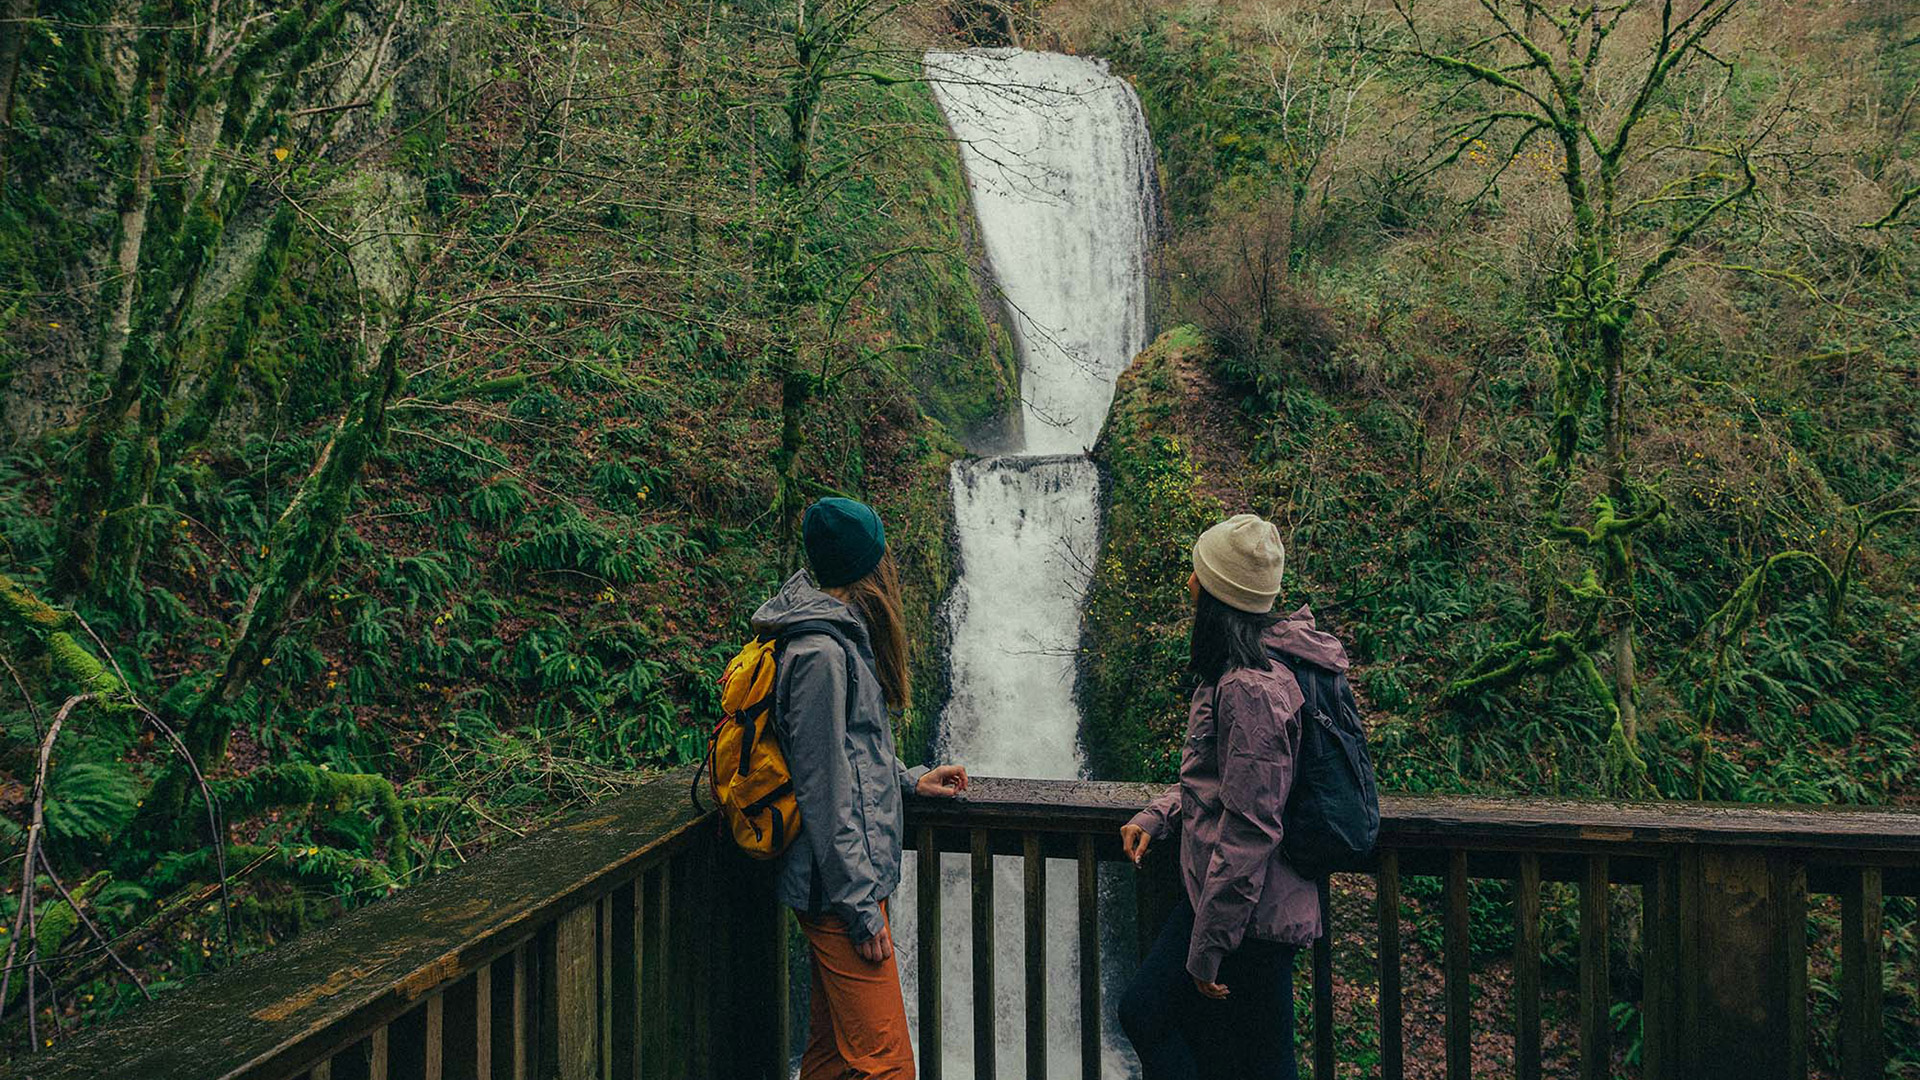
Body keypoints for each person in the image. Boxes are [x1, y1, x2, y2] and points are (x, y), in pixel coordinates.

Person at [1116, 513, 1349, 1080]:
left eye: (1199, 575)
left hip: (1250, 913)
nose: (1189, 584)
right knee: (1236, 1055)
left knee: (1169, 1021)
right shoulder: (1243, 669)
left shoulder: (1250, 687)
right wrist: (1163, 811)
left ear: (1219, 594)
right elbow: (1226, 780)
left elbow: (1251, 825)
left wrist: (1208, 946)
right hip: (1234, 901)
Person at [752, 496, 969, 1080]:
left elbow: (849, 757)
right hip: (836, 891)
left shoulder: (833, 641)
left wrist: (909, 779)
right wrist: (860, 908)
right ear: (869, 569)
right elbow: (823, 788)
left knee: (828, 1058)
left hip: (838, 884)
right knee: (887, 1066)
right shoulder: (821, 653)